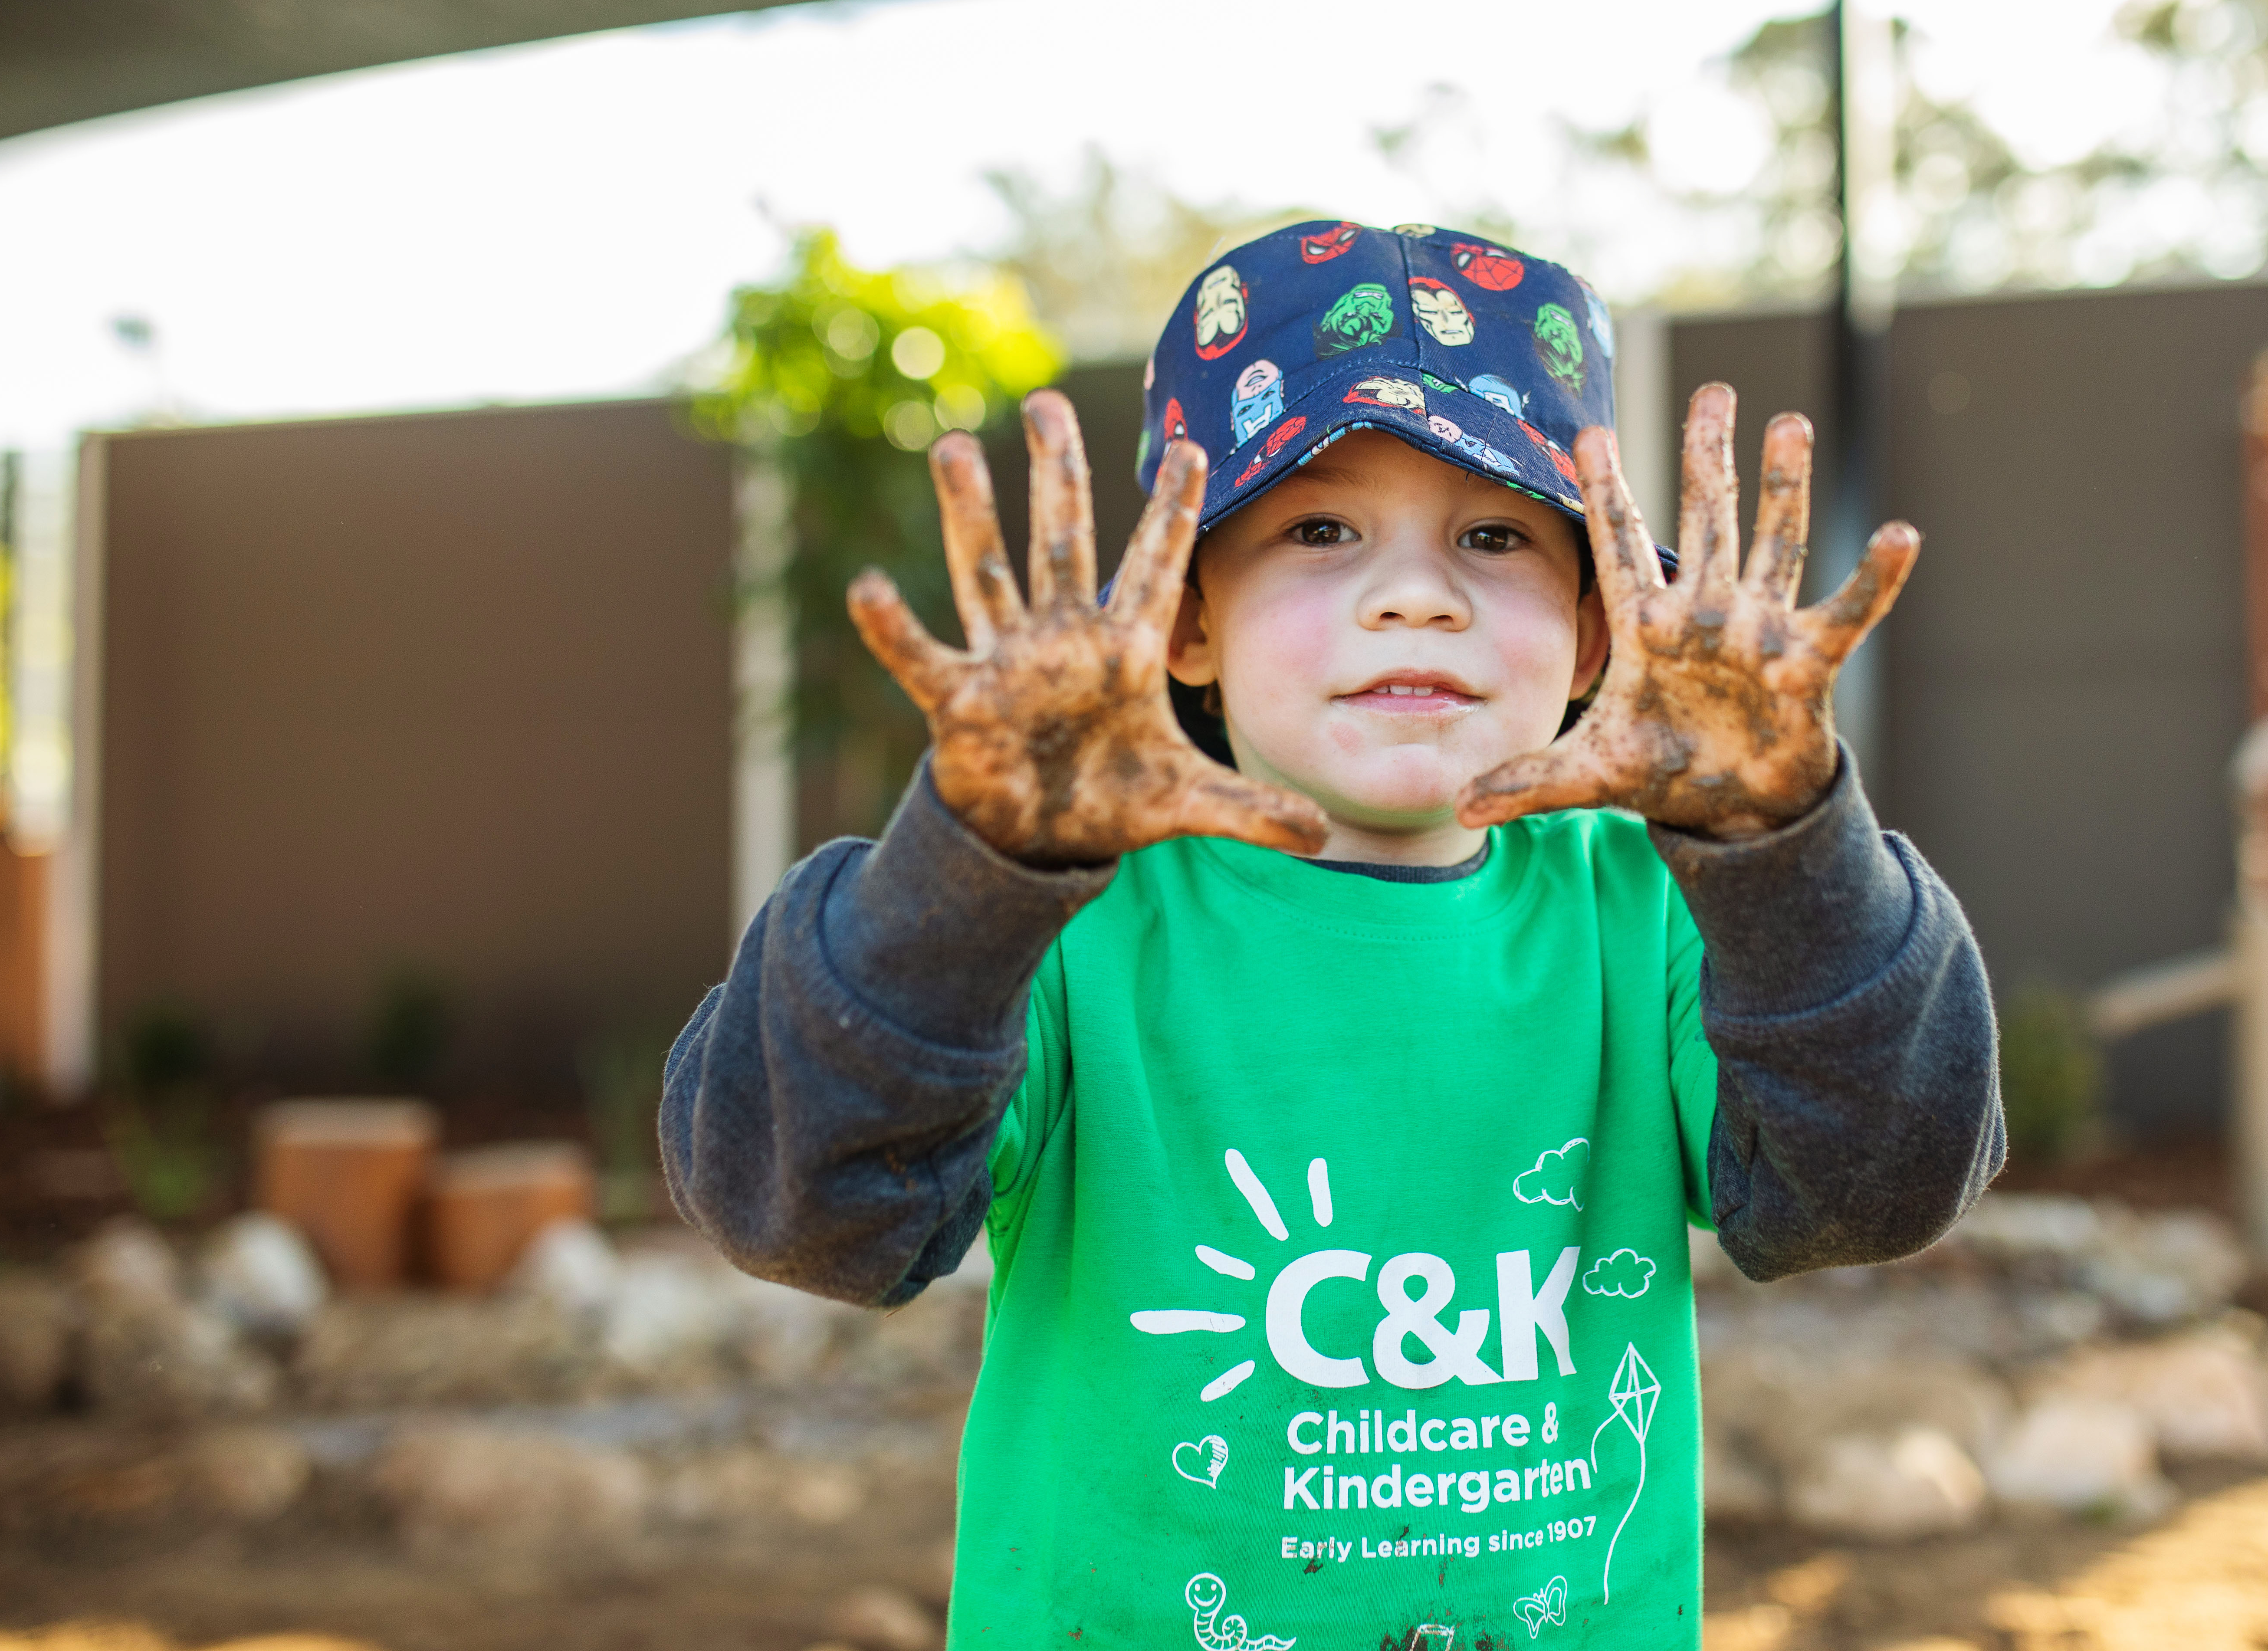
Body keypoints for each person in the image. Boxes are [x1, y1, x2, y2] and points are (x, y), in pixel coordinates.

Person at [661, 221, 2003, 1647]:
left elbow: (1879, 1184)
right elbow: (801, 1215)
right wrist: (969, 873)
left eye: (1494, 535)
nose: (1415, 592)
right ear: (1185, 621)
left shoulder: (1663, 910)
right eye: (1319, 529)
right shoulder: (1068, 920)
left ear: (1598, 633)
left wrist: (1780, 848)